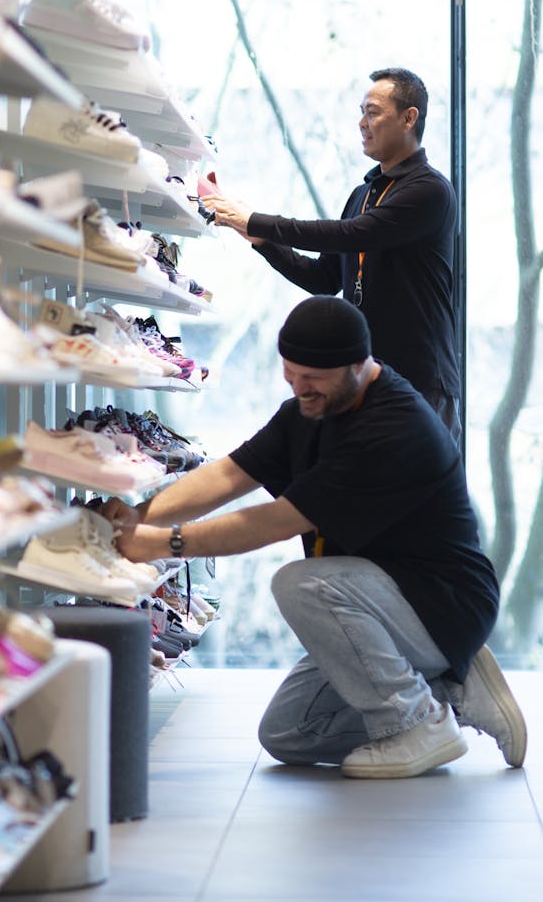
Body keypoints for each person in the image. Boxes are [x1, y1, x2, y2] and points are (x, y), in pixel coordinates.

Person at [100, 296, 526, 779]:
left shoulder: (393, 430)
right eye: (291, 374)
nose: (300, 389)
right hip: (381, 604)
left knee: (301, 582)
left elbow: (274, 522)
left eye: (313, 379)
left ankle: (418, 723)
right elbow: (230, 476)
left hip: (442, 604)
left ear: (359, 365)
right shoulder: (309, 407)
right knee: (288, 733)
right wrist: (139, 517)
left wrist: (162, 544)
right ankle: (452, 687)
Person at [201, 68, 462, 440]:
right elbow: (321, 279)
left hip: (422, 381)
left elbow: (354, 234)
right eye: (362, 112)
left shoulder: (430, 190)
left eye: (372, 112)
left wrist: (256, 220)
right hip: (366, 378)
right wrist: (257, 237)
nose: (361, 123)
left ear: (409, 118)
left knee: (412, 496)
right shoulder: (363, 194)